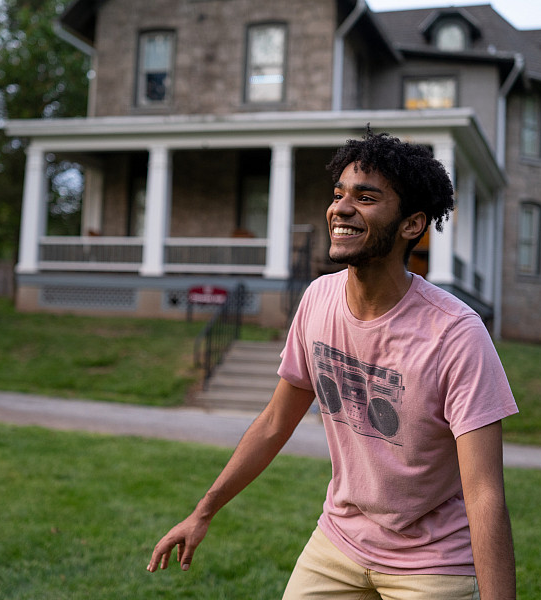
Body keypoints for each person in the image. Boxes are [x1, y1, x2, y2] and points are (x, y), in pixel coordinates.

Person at [147, 131, 519, 599]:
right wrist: (202, 512)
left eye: (365, 198)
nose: (341, 208)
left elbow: (484, 493)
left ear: (412, 224)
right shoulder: (318, 299)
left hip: (432, 559)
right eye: (339, 194)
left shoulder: (455, 334)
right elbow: (274, 422)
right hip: (340, 542)